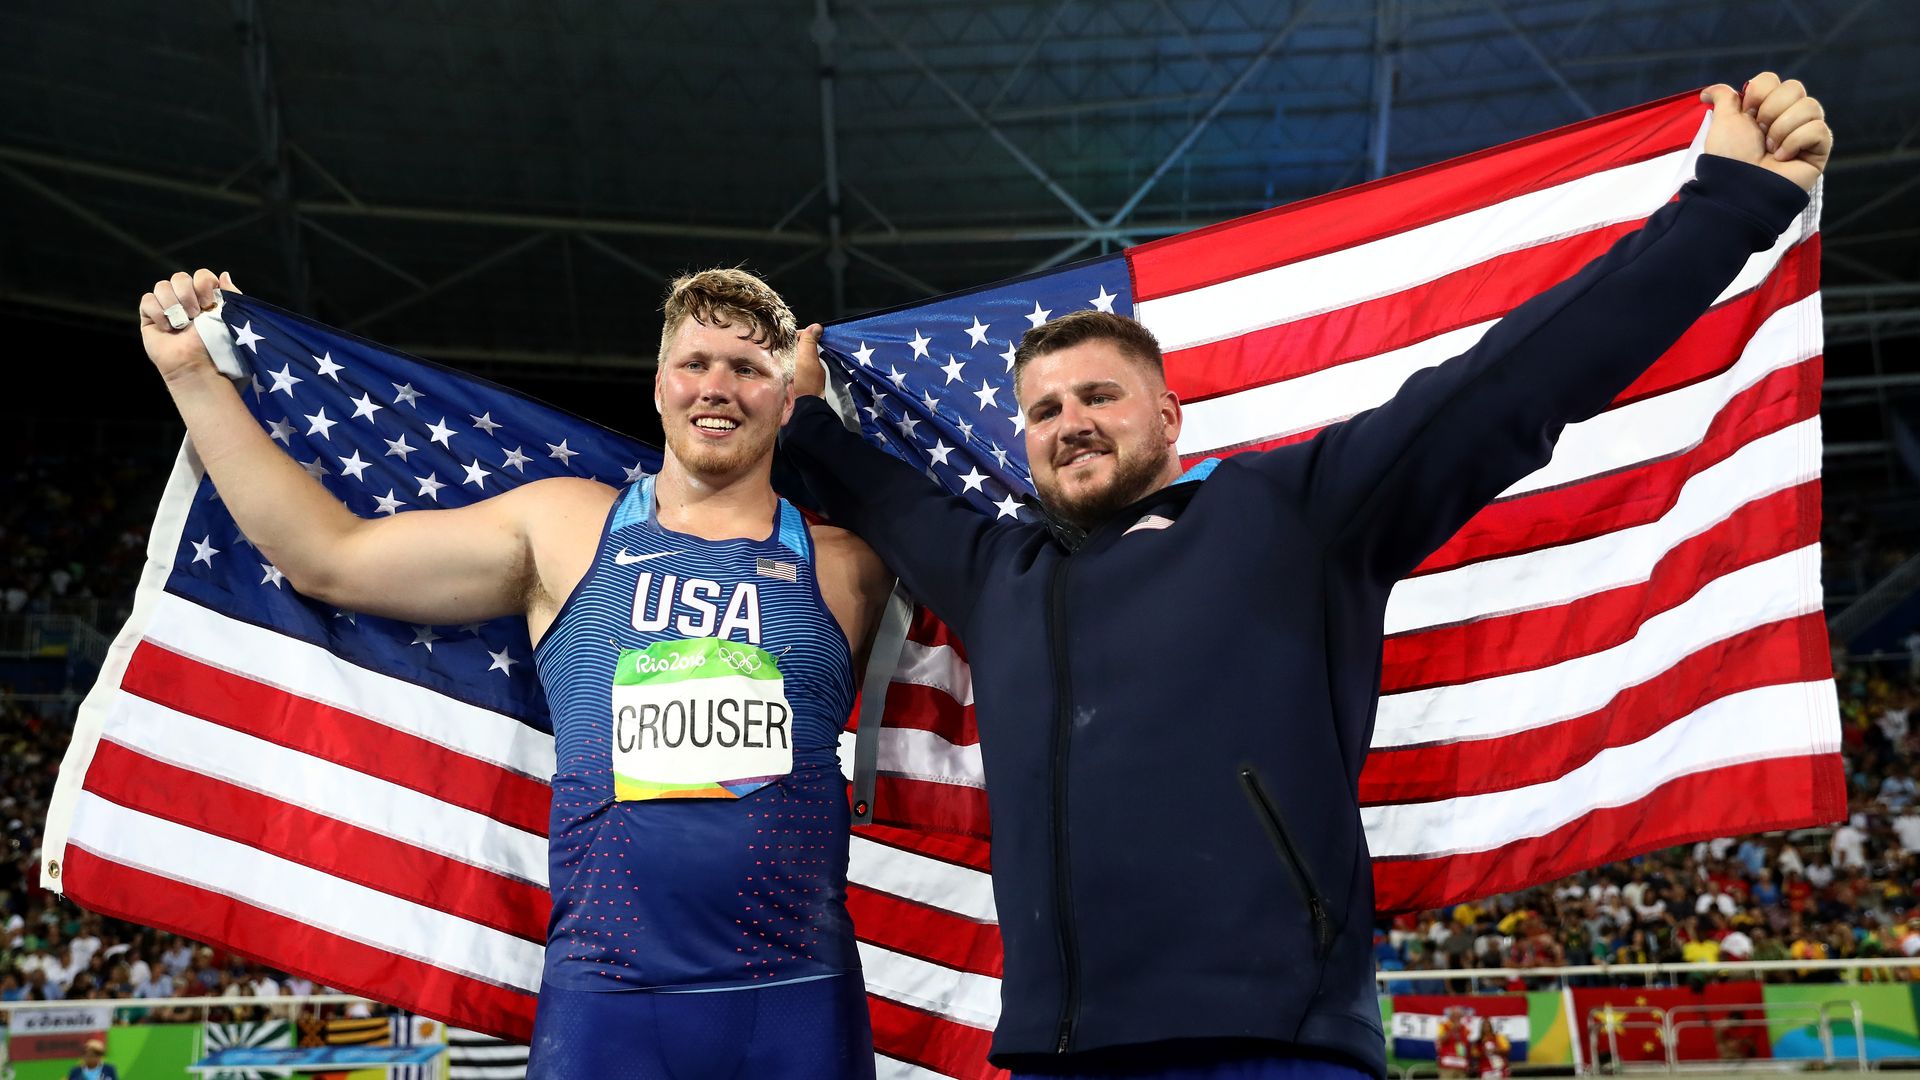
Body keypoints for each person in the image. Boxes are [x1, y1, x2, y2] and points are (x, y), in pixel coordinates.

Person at [779, 72, 1829, 1079]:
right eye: (1046, 411)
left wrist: (1729, 207)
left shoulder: (1294, 513)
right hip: (1060, 1053)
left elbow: (1518, 380)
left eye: (1100, 395)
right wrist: (802, 399)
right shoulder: (997, 572)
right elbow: (879, 494)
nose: (1072, 424)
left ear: (1169, 416)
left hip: (1274, 1045)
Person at [136, 266, 894, 1078]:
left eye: (748, 369)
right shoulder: (564, 527)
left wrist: (838, 420)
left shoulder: (850, 569)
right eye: (696, 363)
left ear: (786, 402)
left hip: (796, 999)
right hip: (607, 1000)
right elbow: (329, 557)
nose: (718, 386)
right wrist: (192, 377)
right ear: (659, 386)